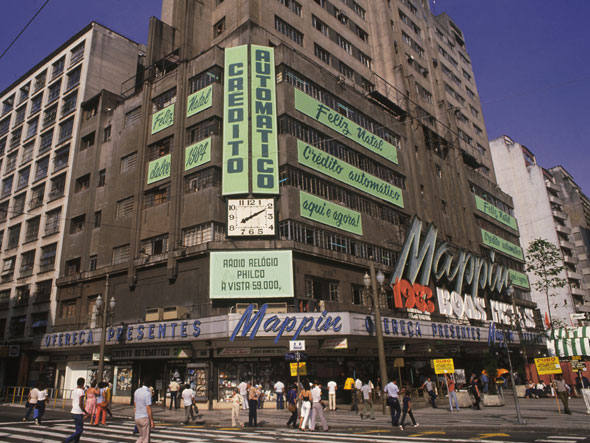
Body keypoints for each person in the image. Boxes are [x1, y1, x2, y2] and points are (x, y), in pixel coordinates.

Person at [65, 377, 88, 443]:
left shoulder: (74, 390)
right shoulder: (81, 391)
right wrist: (85, 411)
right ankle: (68, 440)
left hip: (74, 410)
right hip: (78, 411)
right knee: (79, 430)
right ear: (83, 383)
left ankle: (76, 441)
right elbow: (81, 403)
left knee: (78, 429)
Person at [134, 378, 155, 443]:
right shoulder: (147, 393)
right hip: (144, 417)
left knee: (141, 436)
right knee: (146, 438)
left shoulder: (137, 391)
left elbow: (135, 404)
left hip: (137, 416)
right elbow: (148, 407)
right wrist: (151, 420)